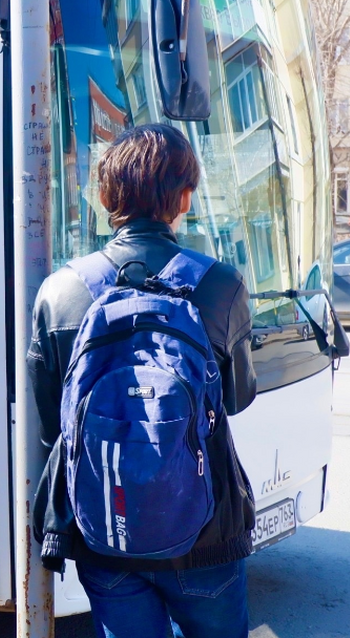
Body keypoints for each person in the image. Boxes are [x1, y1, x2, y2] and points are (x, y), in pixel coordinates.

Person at [29, 124, 257, 638]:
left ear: (107, 196)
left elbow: (52, 420)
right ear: (185, 196)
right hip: (206, 531)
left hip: (105, 525)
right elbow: (238, 397)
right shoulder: (220, 285)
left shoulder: (61, 289)